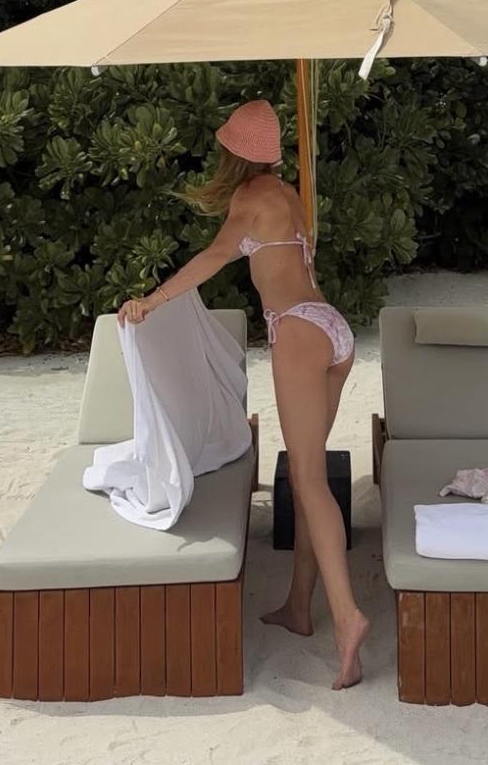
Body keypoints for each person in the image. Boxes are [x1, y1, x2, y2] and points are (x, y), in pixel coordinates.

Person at [119, 98, 369, 689]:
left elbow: (213, 256)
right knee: (307, 477)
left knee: (309, 480)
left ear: (232, 152)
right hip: (332, 329)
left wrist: (152, 301)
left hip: (298, 331)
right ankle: (300, 607)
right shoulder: (287, 194)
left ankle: (348, 617)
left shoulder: (250, 196)